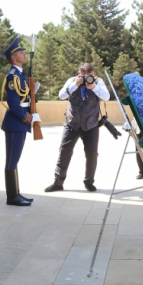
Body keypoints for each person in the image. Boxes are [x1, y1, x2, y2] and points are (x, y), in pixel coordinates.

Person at [45, 63, 110, 192]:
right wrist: (75, 84)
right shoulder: (71, 81)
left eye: (89, 76)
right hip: (72, 124)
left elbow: (106, 97)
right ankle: (58, 183)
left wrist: (94, 87)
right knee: (64, 152)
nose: (86, 78)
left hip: (91, 125)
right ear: (79, 74)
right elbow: (61, 95)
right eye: (83, 76)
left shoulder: (98, 82)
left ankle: (89, 182)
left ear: (93, 73)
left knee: (92, 154)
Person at [1, 37, 41, 206]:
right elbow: (13, 104)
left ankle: (16, 193)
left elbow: (25, 97)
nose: (24, 55)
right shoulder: (13, 77)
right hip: (15, 123)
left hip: (20, 124)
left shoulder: (20, 75)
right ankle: (12, 197)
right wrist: (28, 118)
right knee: (11, 160)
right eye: (21, 53)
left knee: (15, 159)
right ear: (13, 57)